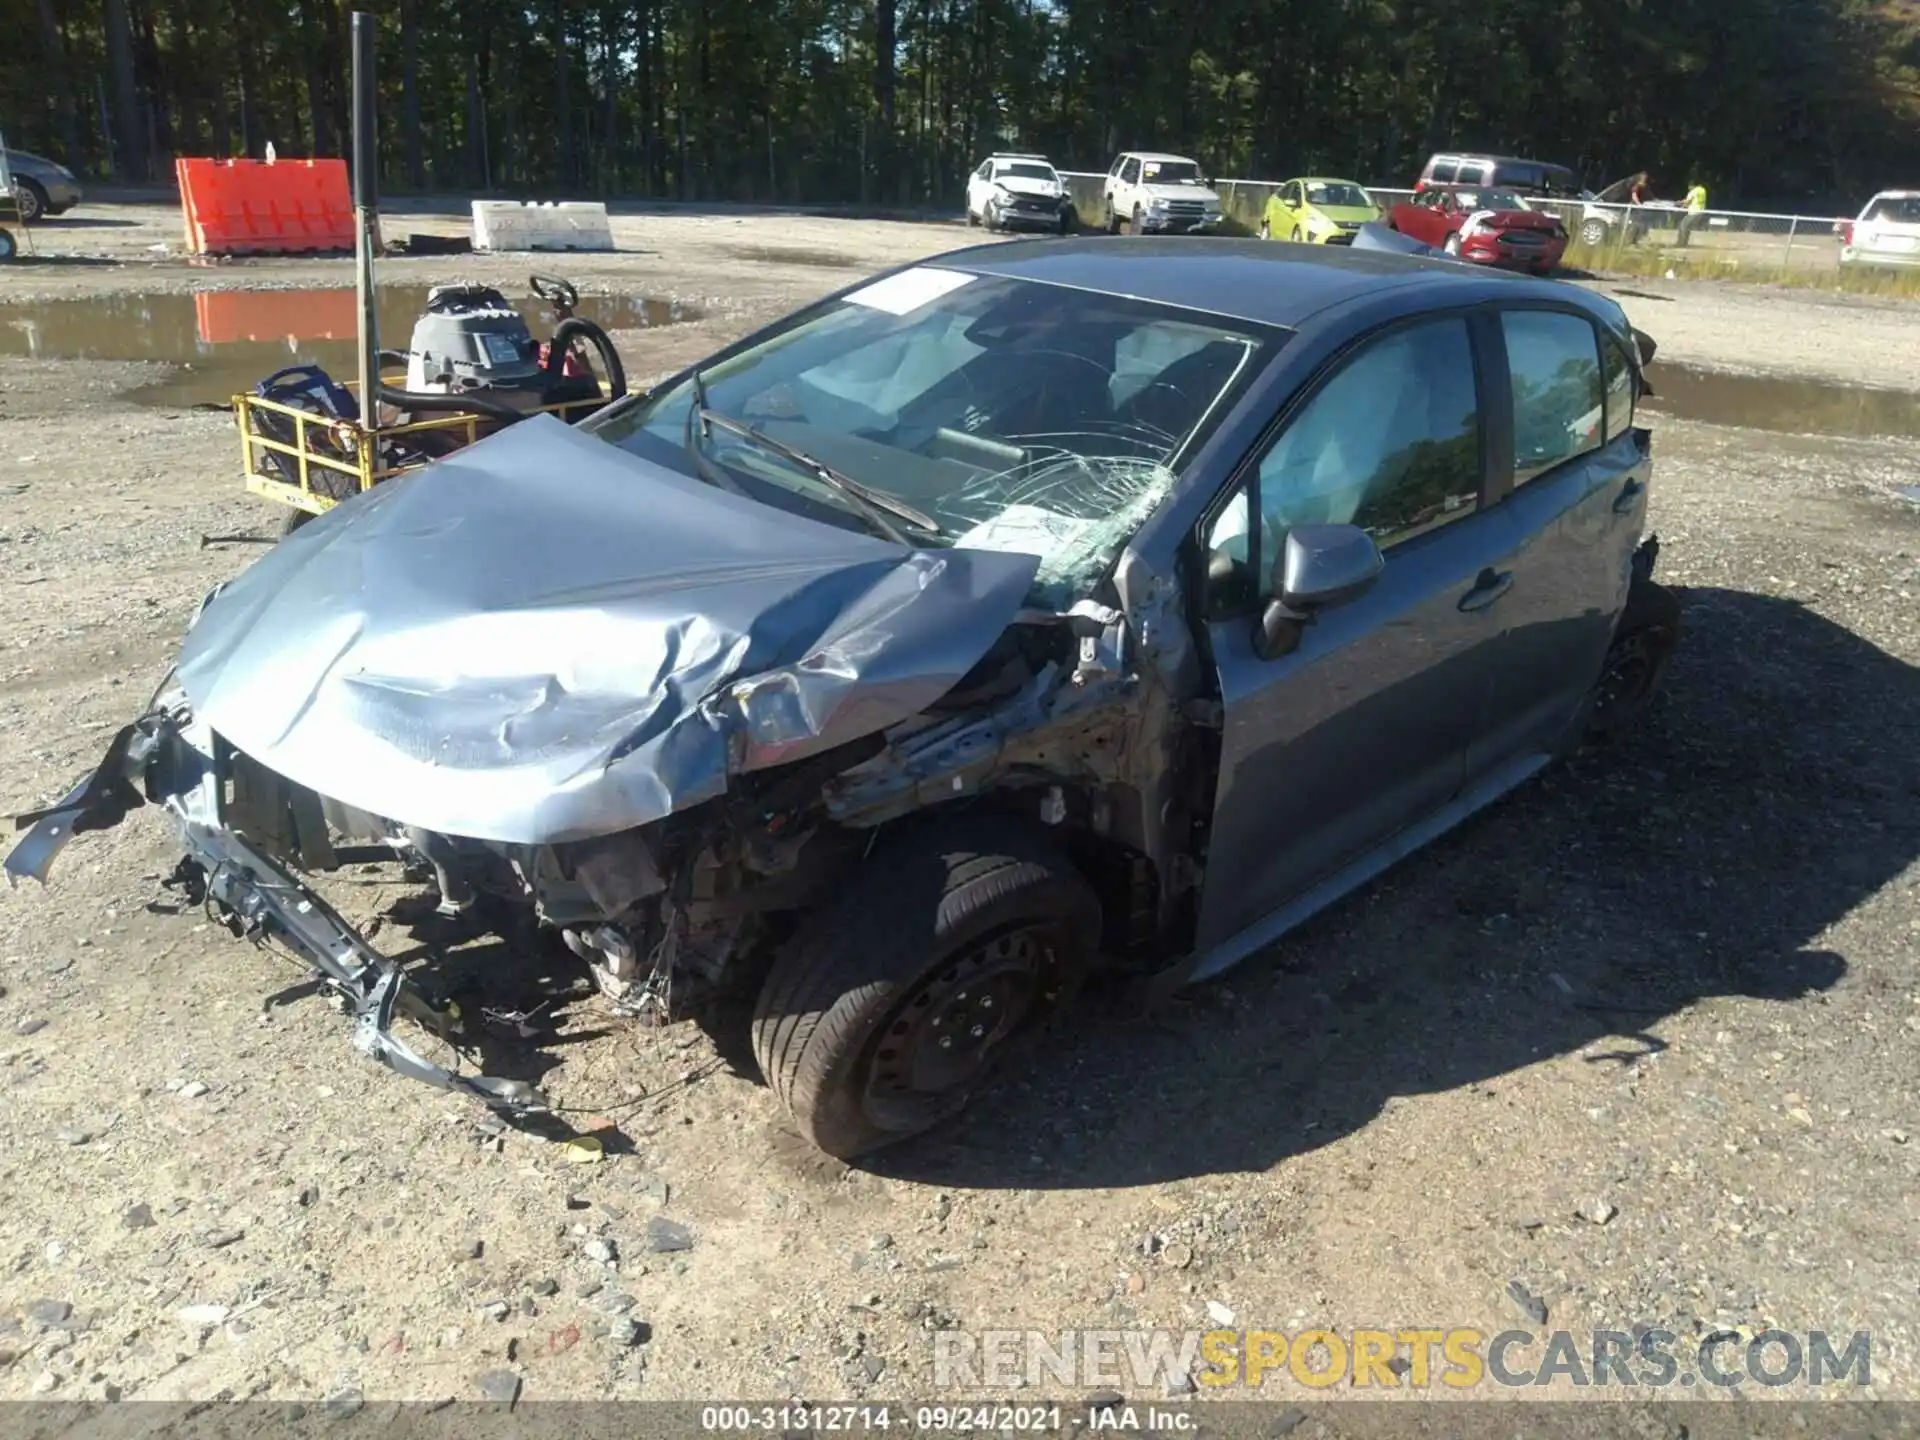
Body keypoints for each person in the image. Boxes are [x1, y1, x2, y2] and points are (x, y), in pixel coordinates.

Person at [1677, 180, 1708, 248]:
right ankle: (1684, 243)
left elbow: (1687, 202)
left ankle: (1681, 243)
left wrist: (1679, 203)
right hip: (1700, 212)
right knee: (1686, 227)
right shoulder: (1702, 190)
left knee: (1682, 226)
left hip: (1693, 212)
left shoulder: (1693, 191)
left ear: (1691, 186)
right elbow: (1695, 201)